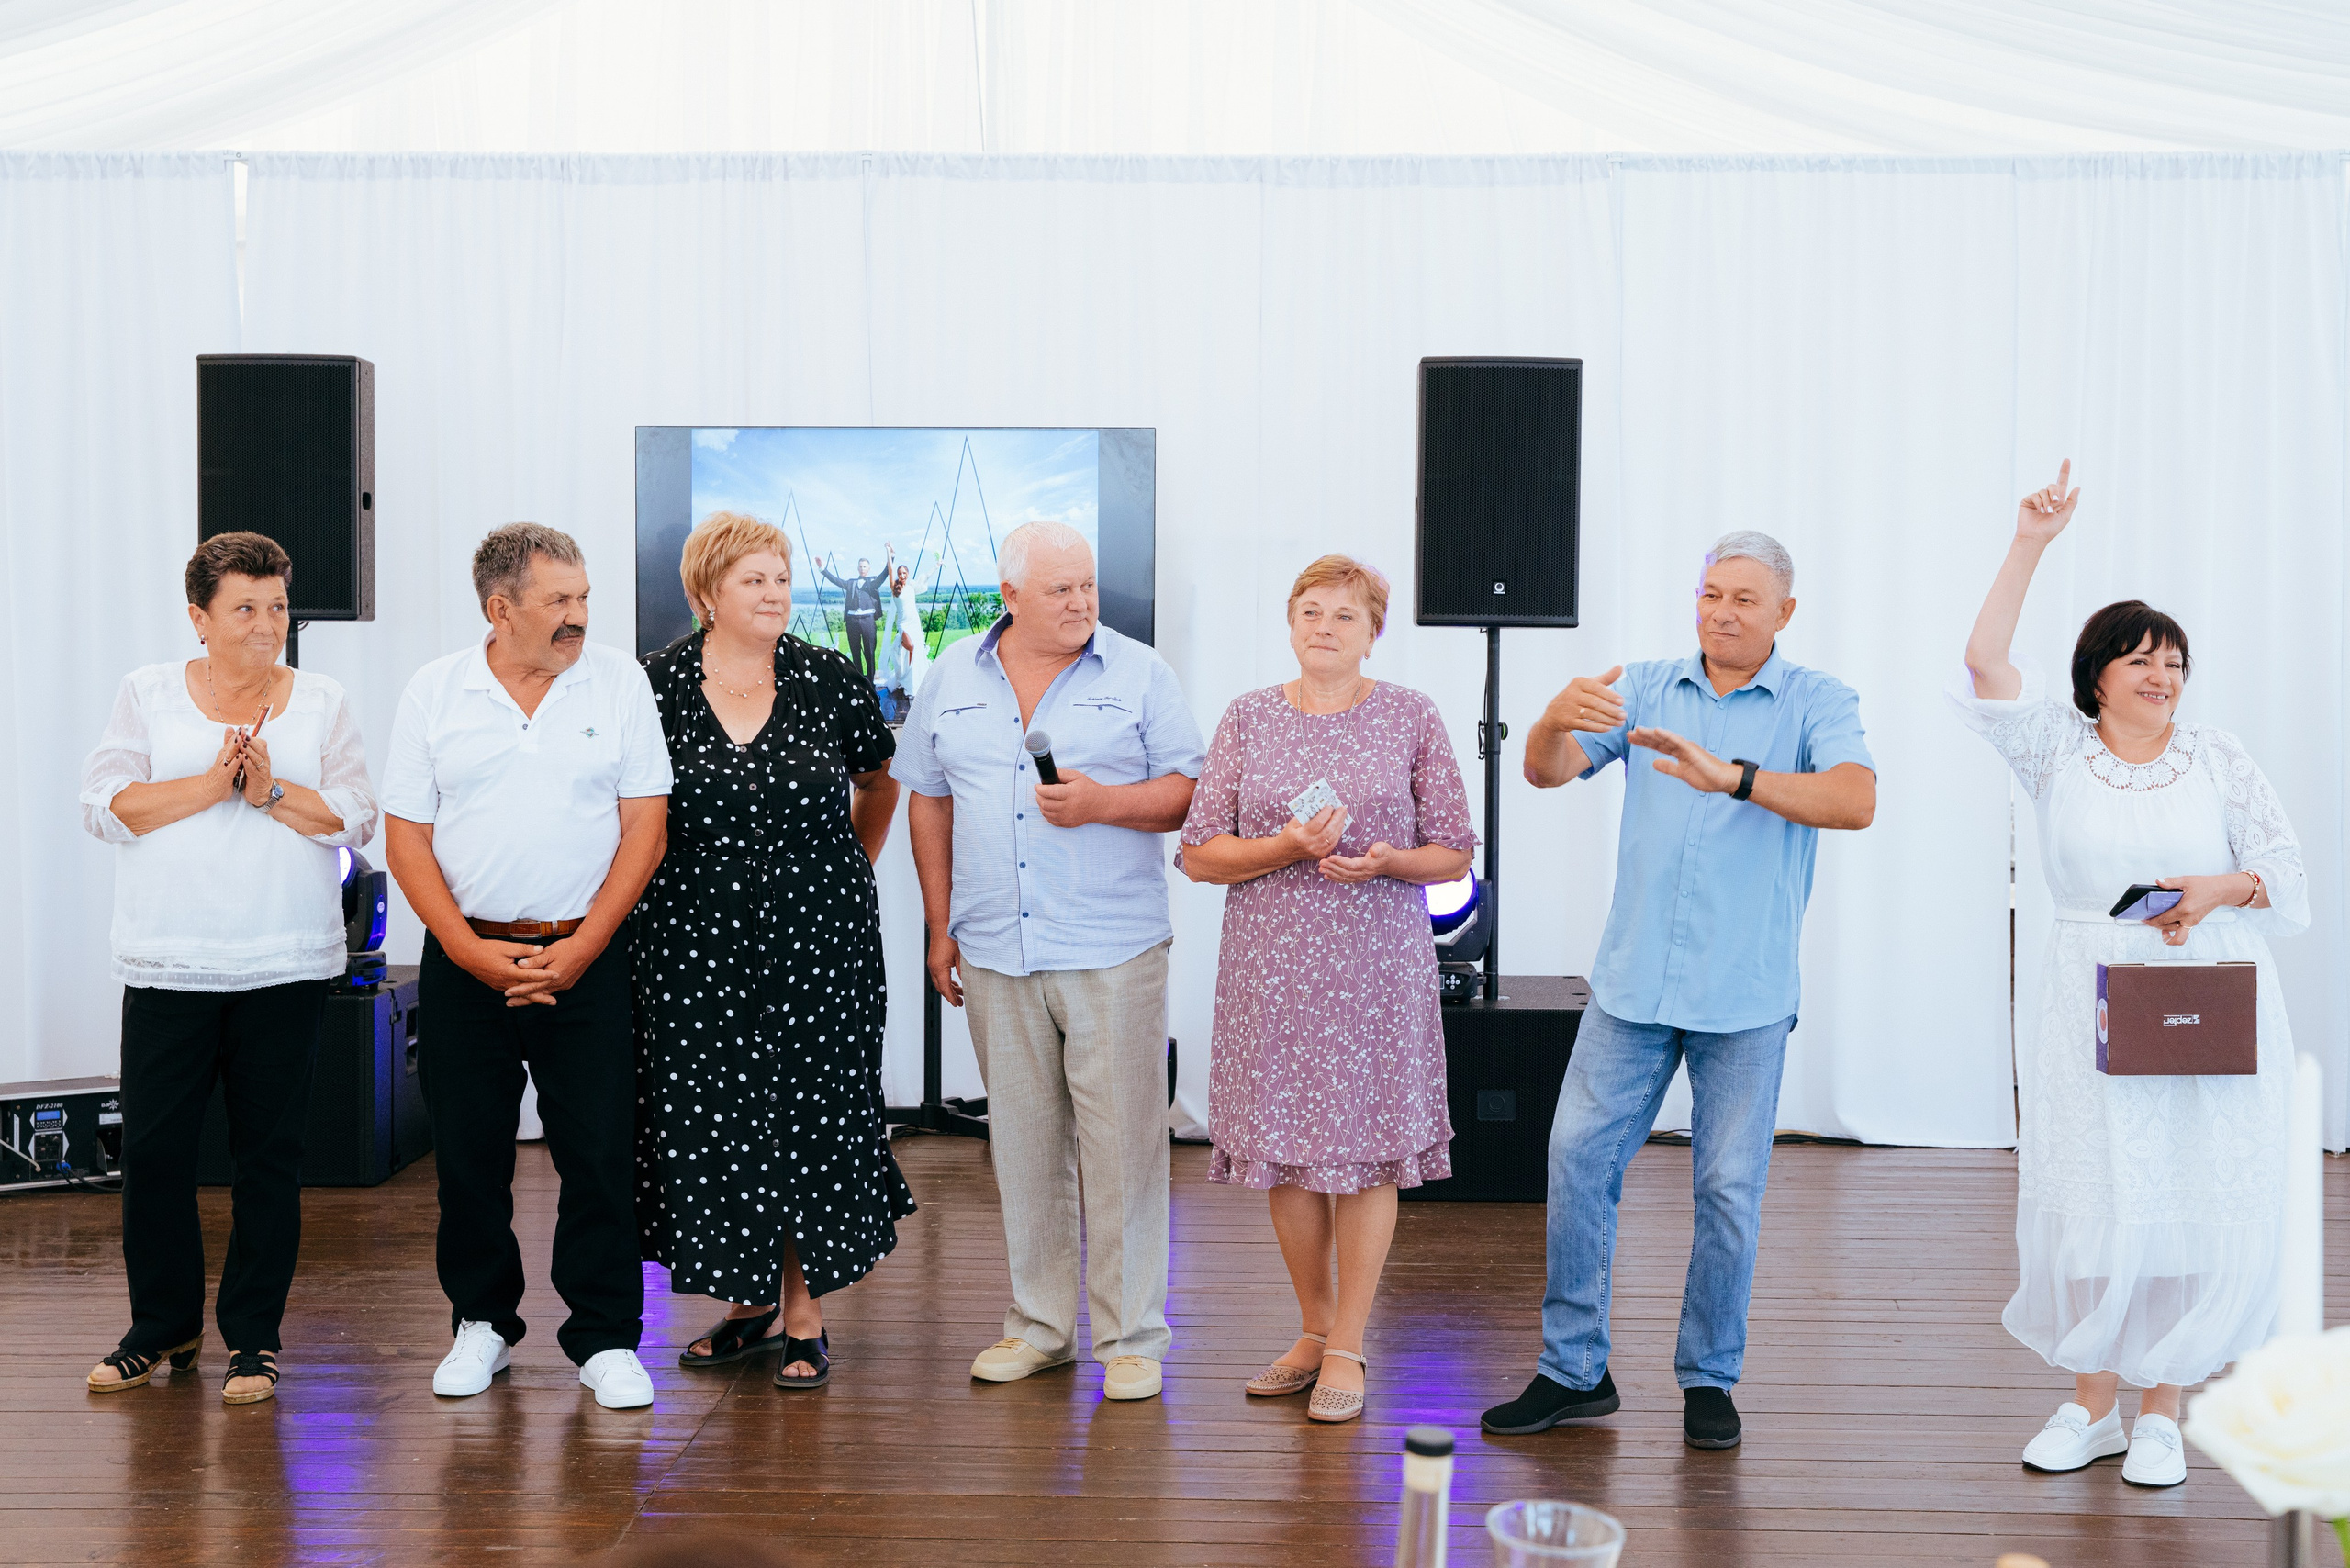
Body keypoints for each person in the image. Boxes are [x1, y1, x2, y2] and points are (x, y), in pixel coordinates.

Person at [1482, 531, 1876, 1450]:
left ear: (1784, 612)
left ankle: (1708, 1378)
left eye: (1743, 598)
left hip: (1744, 994)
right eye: (1709, 593)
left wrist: (1732, 778)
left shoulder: (1818, 699)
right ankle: (1573, 1371)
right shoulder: (1648, 686)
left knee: (1728, 1190)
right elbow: (1545, 769)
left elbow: (1855, 800)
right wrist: (1548, 720)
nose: (1720, 612)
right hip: (1632, 986)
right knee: (1575, 1160)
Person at [1952, 463, 2305, 1489]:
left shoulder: (2218, 757)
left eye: (2174, 663)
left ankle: (2163, 1411)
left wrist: (2219, 887)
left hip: (2203, 992)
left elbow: (2284, 873)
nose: (2162, 676)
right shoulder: (2055, 751)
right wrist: (2030, 541)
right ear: (2096, 674)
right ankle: (2092, 1404)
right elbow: (1983, 660)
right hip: (2088, 996)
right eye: (2141, 659)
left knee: (2183, 1193)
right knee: (2101, 1194)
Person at [893, 519, 1205, 1403]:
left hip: (1113, 948)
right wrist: (940, 924)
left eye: (1088, 585)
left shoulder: (1141, 672)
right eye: (1060, 589)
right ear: (1010, 597)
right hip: (996, 946)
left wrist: (1105, 802)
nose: (1080, 603)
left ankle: (1131, 1338)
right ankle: (1039, 1328)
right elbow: (928, 798)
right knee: (1023, 1145)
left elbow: (1189, 792)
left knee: (1124, 1148)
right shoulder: (951, 677)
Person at [78, 532, 379, 1407]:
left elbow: (356, 818)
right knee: (156, 1158)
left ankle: (254, 1339)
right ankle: (160, 1327)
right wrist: (212, 787)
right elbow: (104, 807)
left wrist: (270, 792)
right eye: (244, 607)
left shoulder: (321, 700)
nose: (265, 624)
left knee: (268, 1163)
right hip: (169, 963)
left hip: (284, 965)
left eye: (277, 606)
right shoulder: (147, 693)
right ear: (199, 618)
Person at [380, 523, 673, 1411]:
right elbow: (407, 837)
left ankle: (606, 1338)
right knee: (469, 1155)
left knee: (599, 1152)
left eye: (583, 597)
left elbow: (646, 826)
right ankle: (482, 1323)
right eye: (560, 601)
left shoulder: (618, 682)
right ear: (500, 609)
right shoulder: (435, 690)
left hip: (589, 953)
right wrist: (467, 951)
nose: (579, 615)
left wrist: (584, 947)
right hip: (466, 957)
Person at [1177, 555, 1475, 1424]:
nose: (1324, 627)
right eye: (1310, 610)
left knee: (1368, 1149)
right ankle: (1311, 1330)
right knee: (1288, 1151)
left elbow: (1454, 851)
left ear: (1373, 632)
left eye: (1345, 615)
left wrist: (1388, 862)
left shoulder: (1412, 715)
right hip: (1271, 973)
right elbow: (1198, 853)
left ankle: (1349, 1341)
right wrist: (1288, 847)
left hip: (1376, 973)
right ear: (1289, 622)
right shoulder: (1248, 716)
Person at [635, 511, 912, 1390]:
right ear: (706, 592)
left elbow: (879, 781)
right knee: (716, 1119)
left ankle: (803, 1311)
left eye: (782, 578)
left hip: (822, 944)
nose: (775, 593)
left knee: (809, 1115)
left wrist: (843, 871)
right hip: (692, 946)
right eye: (754, 579)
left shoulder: (827, 677)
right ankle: (746, 1303)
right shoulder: (655, 684)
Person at [815, 545, 893, 681]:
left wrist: (891, 556)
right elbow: (836, 580)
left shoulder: (873, 582)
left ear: (868, 569)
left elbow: (886, 572)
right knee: (855, 652)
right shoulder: (851, 583)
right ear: (858, 568)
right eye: (860, 566)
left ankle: (871, 684)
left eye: (864, 566)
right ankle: (859, 683)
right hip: (852, 622)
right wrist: (822, 568)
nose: (862, 569)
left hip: (868, 620)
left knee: (869, 653)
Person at [880, 560, 929, 721]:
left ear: (907, 574)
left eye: (904, 573)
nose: (901, 575)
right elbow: (890, 570)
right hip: (903, 624)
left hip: (914, 622)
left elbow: (925, 577)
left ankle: (911, 679)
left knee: (916, 651)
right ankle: (905, 674)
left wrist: (936, 566)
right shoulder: (895, 587)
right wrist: (889, 554)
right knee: (911, 647)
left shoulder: (911, 587)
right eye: (899, 573)